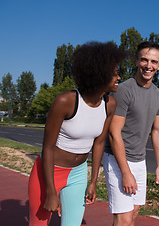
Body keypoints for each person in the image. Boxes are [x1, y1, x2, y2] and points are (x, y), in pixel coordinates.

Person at [28, 41, 128, 226]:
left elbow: (98, 143)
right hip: (49, 172)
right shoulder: (65, 101)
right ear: (99, 74)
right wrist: (51, 191)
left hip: (78, 173)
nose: (119, 77)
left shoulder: (110, 104)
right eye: (115, 74)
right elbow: (48, 147)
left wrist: (93, 181)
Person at [103, 41, 159, 226]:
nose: (149, 65)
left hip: (140, 160)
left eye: (154, 62)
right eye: (144, 60)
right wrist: (125, 172)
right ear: (137, 62)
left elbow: (157, 130)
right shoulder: (124, 90)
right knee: (123, 217)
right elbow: (114, 133)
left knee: (134, 213)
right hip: (117, 159)